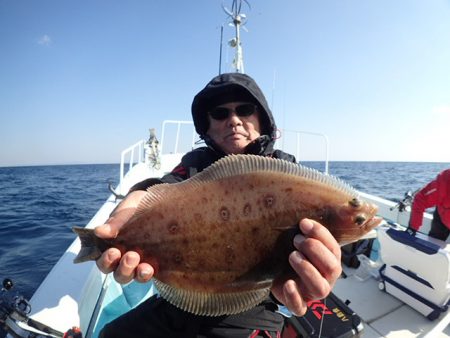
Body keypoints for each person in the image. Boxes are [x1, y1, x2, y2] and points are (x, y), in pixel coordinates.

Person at [94, 72, 342, 338]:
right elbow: (162, 187)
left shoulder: (287, 173)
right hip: (178, 307)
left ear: (262, 119)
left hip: (252, 310)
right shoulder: (194, 166)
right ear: (207, 126)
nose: (234, 120)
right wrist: (131, 208)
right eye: (220, 114)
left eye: (245, 110)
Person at [407, 168, 450, 241]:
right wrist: (412, 228)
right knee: (432, 244)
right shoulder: (443, 183)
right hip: (442, 216)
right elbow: (421, 200)